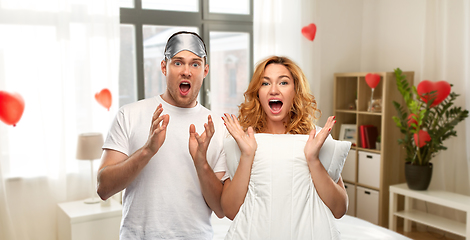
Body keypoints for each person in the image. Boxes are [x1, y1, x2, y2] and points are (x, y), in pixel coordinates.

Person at [97, 31, 228, 239]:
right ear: (164, 67)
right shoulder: (129, 114)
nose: (186, 71)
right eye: (178, 63)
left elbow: (220, 209)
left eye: (195, 64)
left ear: (205, 70)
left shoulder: (217, 128)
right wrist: (147, 151)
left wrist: (201, 161)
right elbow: (103, 188)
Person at [221, 56, 348, 239]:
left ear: (295, 90)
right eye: (265, 84)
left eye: (283, 82)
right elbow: (230, 211)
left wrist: (313, 160)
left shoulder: (317, 138)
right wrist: (247, 155)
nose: (274, 90)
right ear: (258, 93)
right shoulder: (242, 140)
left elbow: (339, 209)